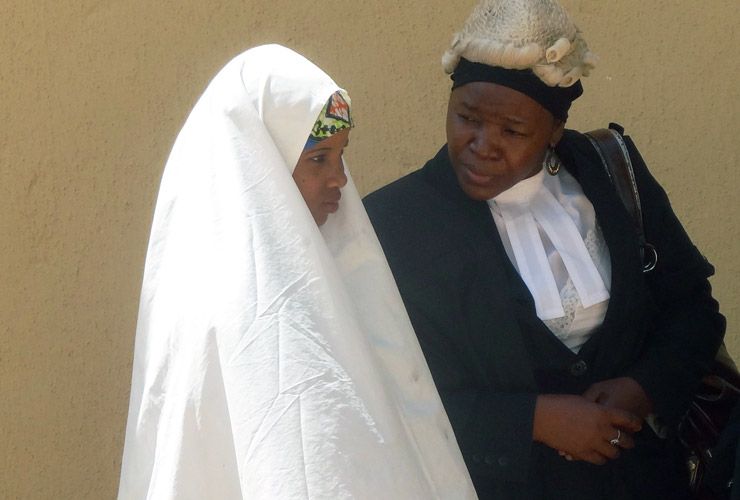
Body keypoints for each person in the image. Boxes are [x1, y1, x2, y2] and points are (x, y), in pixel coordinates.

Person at [363, 1, 726, 498]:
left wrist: (644, 388)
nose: (483, 144)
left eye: (513, 131)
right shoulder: (394, 223)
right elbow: (390, 392)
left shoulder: (613, 173)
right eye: (466, 117)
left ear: (555, 131)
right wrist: (532, 421)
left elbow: (692, 309)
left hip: (646, 481)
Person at [118, 44, 476, 499]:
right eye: (317, 159)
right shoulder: (236, 305)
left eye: (340, 155)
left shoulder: (332, 273)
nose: (340, 179)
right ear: (258, 164)